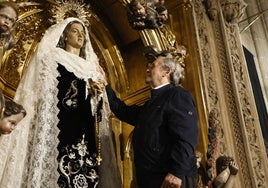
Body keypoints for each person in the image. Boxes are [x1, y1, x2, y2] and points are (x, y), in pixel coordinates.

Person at [0, 17, 121, 188]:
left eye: (83, 33)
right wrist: (86, 84)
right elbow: (45, 91)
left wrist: (97, 92)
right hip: (62, 129)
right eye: (75, 31)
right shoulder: (53, 57)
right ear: (64, 36)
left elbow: (101, 110)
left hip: (86, 133)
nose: (80, 36)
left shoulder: (91, 68)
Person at [103, 47, 199, 188]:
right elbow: (122, 111)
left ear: (166, 72)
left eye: (152, 66)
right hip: (151, 180)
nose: (147, 69)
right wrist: (105, 85)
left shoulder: (177, 95)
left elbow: (187, 137)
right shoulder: (150, 105)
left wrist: (177, 172)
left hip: (172, 180)